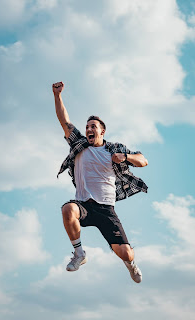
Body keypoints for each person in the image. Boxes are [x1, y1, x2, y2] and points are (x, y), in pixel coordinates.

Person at [52, 81, 148, 283]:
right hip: (83, 204)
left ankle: (130, 264)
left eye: (93, 126)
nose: (88, 129)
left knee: (126, 253)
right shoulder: (79, 143)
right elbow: (64, 121)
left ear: (102, 132)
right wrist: (57, 95)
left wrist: (125, 156)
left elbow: (143, 160)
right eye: (87, 126)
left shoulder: (113, 149)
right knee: (68, 209)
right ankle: (79, 254)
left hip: (106, 209)